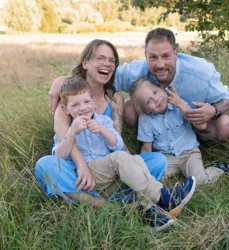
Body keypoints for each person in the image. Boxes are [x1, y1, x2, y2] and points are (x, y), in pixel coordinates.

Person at [35, 79, 197, 231]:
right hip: (88, 177)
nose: (83, 108)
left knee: (139, 160)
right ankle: (160, 195)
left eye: (86, 102)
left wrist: (102, 130)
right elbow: (59, 156)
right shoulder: (68, 128)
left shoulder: (104, 121)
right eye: (75, 105)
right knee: (119, 157)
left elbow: (117, 144)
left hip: (109, 181)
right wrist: (71, 133)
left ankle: (149, 212)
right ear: (66, 109)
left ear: (93, 101)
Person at [49, 28, 229, 146]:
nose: (160, 64)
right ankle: (154, 144)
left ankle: (202, 150)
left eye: (166, 56)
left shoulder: (201, 72)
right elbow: (100, 75)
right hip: (158, 126)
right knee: (129, 110)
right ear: (145, 55)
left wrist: (214, 110)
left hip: (194, 122)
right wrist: (64, 79)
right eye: (153, 57)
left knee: (226, 126)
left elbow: (226, 98)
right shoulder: (135, 72)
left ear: (176, 53)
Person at [49, 39, 167, 197]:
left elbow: (116, 143)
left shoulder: (116, 100)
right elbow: (63, 138)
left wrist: (131, 162)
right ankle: (113, 199)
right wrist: (82, 166)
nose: (107, 64)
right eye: (100, 58)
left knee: (158, 160)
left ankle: (120, 190)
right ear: (85, 63)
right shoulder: (67, 95)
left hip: (108, 166)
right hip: (75, 167)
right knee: (46, 165)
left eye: (112, 61)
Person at [130, 78, 225, 186]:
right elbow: (146, 148)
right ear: (146, 109)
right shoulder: (145, 120)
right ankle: (177, 190)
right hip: (166, 158)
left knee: (200, 181)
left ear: (162, 88)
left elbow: (201, 126)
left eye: (155, 92)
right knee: (151, 182)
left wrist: (181, 105)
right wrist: (142, 168)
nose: (156, 99)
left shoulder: (180, 104)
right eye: (148, 101)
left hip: (189, 152)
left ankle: (216, 170)